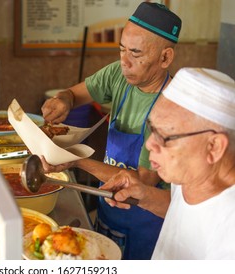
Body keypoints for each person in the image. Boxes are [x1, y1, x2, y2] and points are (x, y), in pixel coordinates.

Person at [41, 2, 182, 259]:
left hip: (145, 222)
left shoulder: (169, 108)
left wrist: (76, 161)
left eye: (136, 54)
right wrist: (63, 100)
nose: (125, 62)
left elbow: (143, 180)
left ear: (165, 58)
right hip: (108, 208)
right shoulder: (119, 75)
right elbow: (73, 94)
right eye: (121, 50)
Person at [100, 67, 235, 259]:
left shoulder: (230, 236)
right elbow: (183, 212)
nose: (149, 144)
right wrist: (144, 195)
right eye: (151, 128)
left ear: (214, 147)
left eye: (164, 136)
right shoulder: (192, 173)